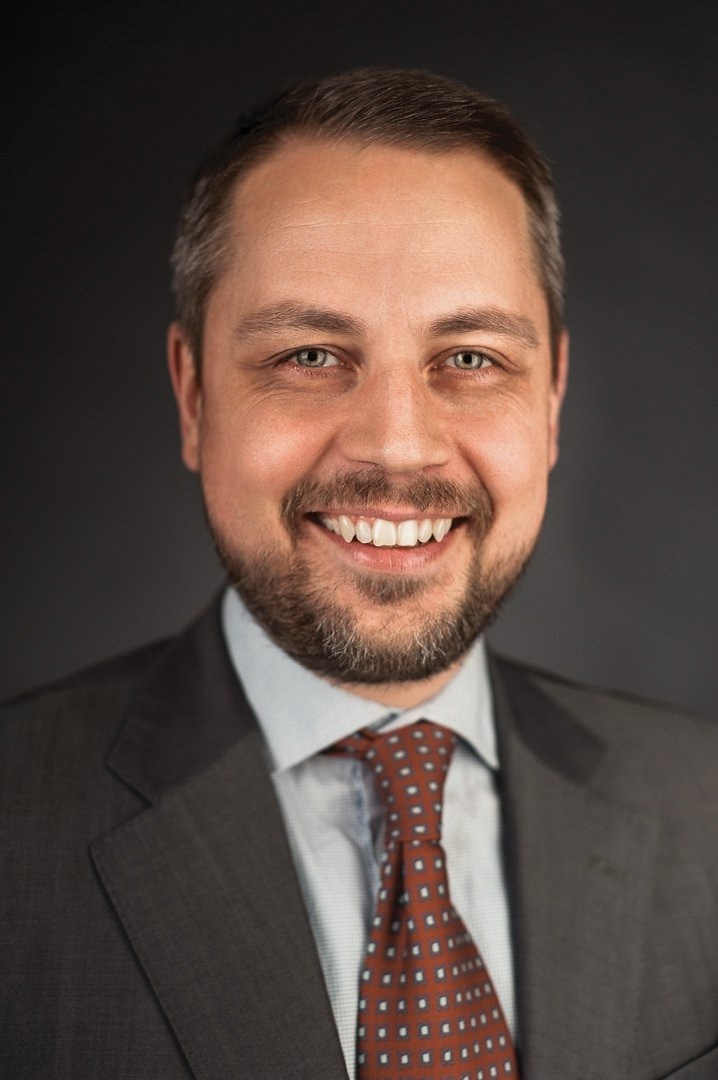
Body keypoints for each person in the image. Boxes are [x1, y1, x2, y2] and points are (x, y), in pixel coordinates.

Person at [1, 68, 716, 1080]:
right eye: (308, 354)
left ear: (550, 398)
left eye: (468, 358)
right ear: (194, 395)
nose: (398, 447)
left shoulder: (706, 814)